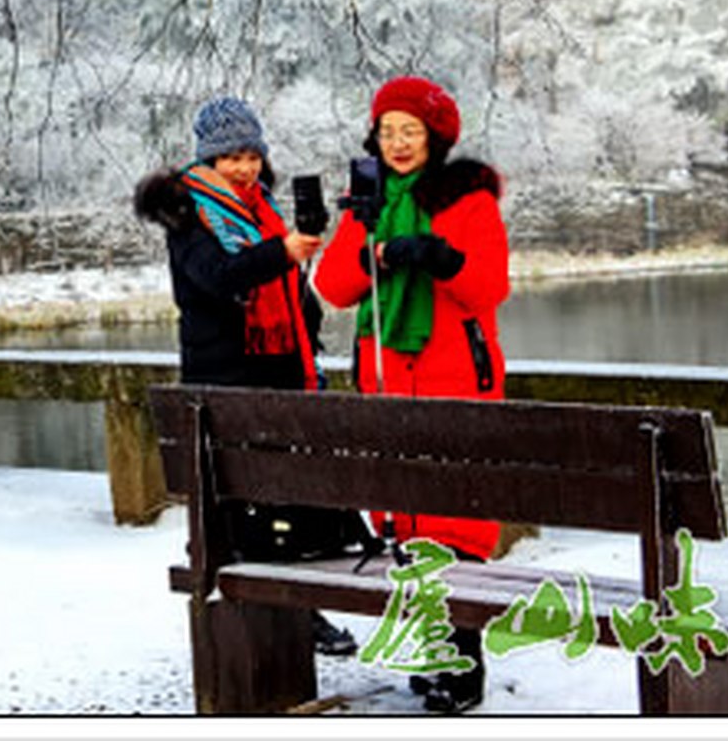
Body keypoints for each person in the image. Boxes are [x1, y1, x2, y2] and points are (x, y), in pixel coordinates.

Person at [310, 75, 510, 714]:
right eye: (388, 131)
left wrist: (439, 258)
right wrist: (379, 250)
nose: (397, 143)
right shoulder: (366, 201)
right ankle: (433, 651)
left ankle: (464, 663)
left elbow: (487, 288)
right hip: (387, 375)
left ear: (435, 138)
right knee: (406, 521)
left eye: (410, 132)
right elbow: (335, 287)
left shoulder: (469, 200)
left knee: (452, 518)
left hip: (454, 374)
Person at [133, 95, 357, 657]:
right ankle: (268, 617)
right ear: (206, 160)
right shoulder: (188, 214)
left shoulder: (259, 209)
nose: (244, 167)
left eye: (251, 155)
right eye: (230, 157)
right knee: (242, 505)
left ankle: (300, 608)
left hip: (279, 374)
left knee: (284, 496)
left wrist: (301, 305)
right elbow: (217, 278)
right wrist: (281, 254)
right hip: (223, 379)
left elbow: (279, 289)